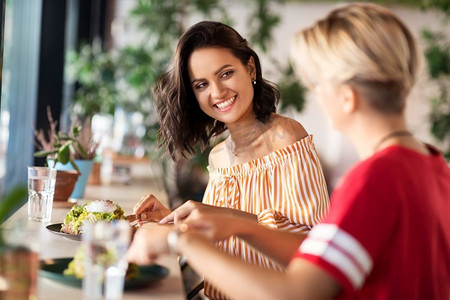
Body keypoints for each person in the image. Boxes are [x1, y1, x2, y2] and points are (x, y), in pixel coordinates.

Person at [127, 3, 450, 299]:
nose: (317, 97)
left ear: (346, 96)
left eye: (317, 84)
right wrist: (210, 223)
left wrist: (179, 240)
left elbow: (300, 291)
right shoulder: (434, 167)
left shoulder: (372, 182)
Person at [133, 21, 330, 298]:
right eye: (202, 84)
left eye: (225, 73)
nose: (217, 92)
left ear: (250, 68)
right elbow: (223, 242)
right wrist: (175, 222)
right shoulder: (218, 156)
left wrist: (226, 217)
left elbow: (315, 249)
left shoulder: (285, 136)